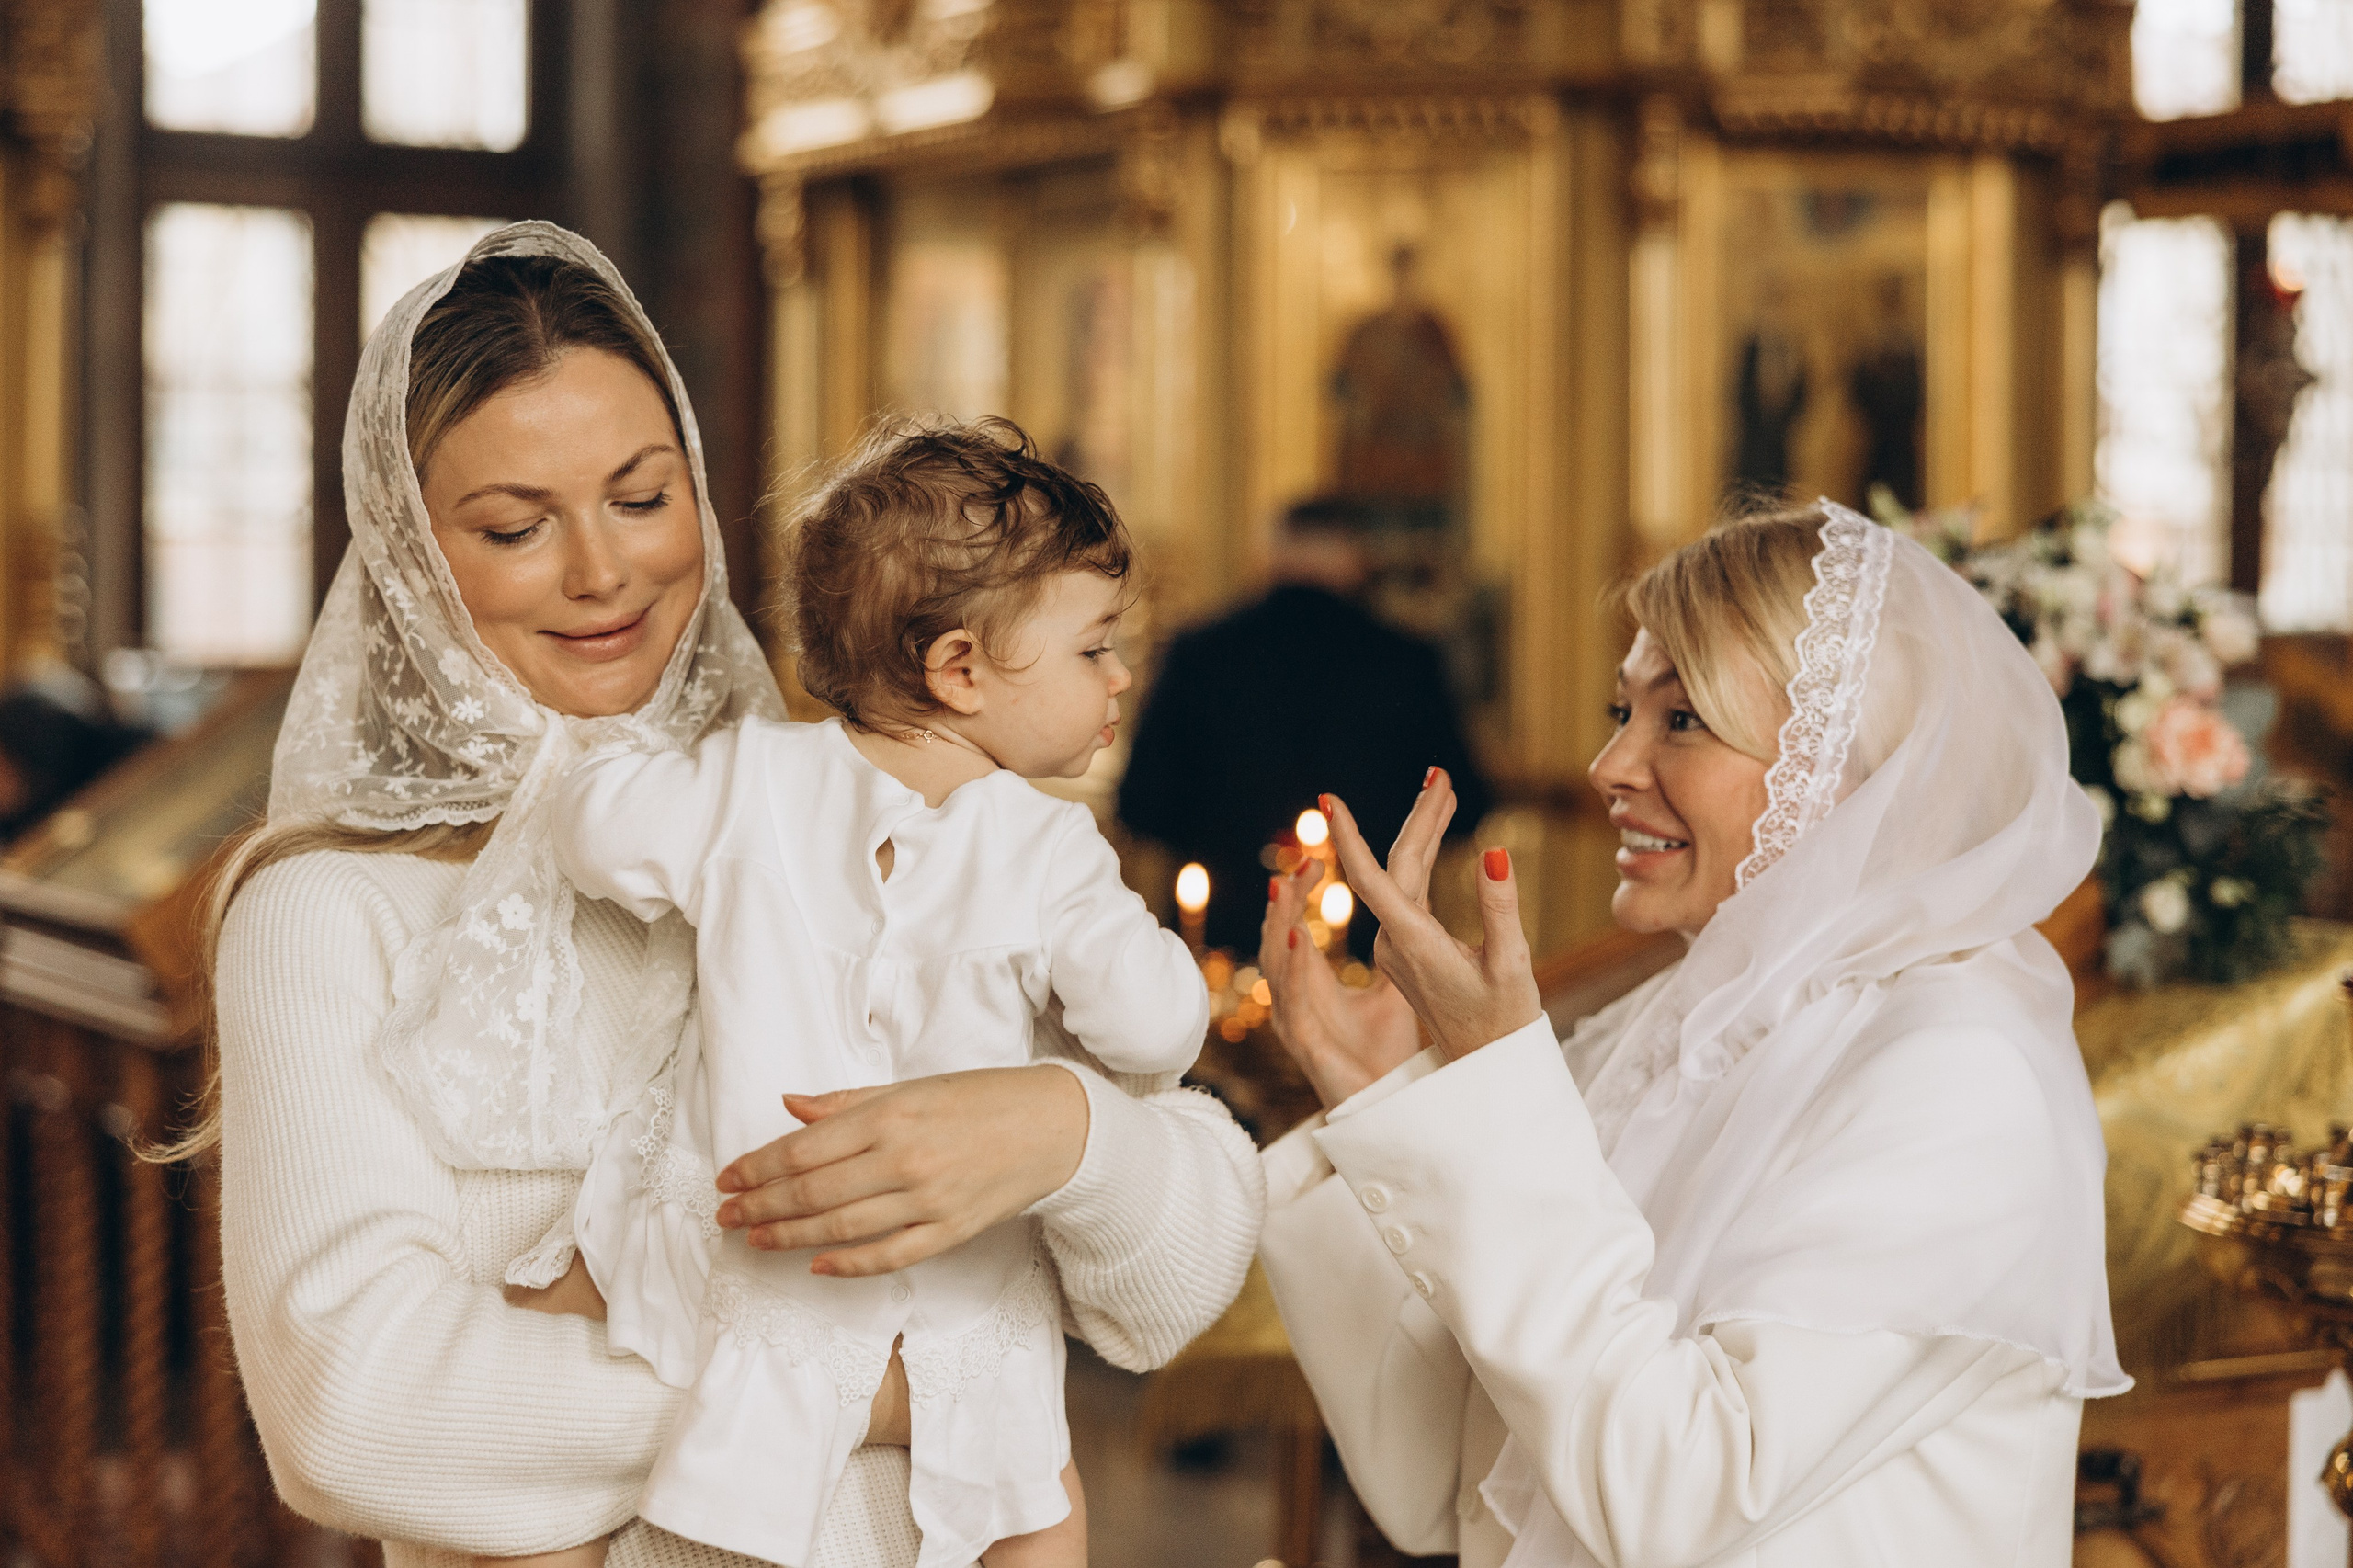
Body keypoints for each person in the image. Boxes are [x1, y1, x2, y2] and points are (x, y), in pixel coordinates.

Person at [197, 222, 1263, 1568]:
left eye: (643, 500)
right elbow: (353, 1408)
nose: (603, 571)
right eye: (518, 526)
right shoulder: (325, 908)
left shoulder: (852, 807)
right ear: (413, 560)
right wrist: (902, 1394)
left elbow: (1176, 1281)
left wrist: (1062, 1130)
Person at [1256, 502, 2126, 1566]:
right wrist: (1383, 1092)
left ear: (1845, 768)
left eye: (1680, 720)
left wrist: (1490, 1094)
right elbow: (1447, 1484)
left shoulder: (1960, 1073)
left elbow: (1678, 1494)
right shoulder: (1671, 1027)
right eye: (1620, 709)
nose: (1609, 764)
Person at [549, 419, 1207, 1568]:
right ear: (959, 668)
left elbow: (592, 830)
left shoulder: (751, 777)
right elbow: (1158, 1025)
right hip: (956, 1281)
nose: (1117, 677)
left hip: (754, 1261)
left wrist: (622, 740)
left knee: (717, 1499)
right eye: (1093, 648)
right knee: (1040, 1510)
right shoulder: (1048, 847)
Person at [1118, 495, 1490, 955]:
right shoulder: (1408, 660)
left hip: (1224, 940)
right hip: (1370, 944)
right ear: (1356, 558)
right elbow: (1464, 806)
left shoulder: (1200, 653)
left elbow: (1141, 805)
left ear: (1269, 555)